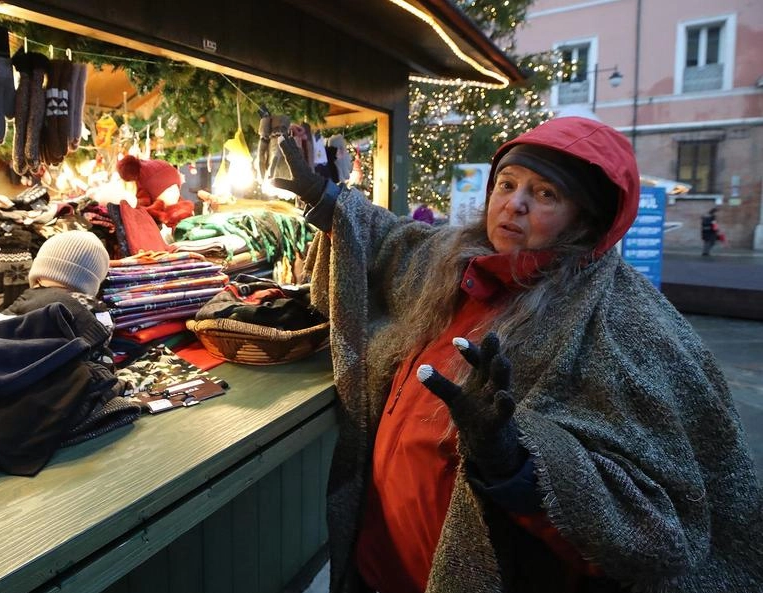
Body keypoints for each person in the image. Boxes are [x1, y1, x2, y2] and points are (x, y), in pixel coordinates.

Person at [273, 116, 762, 593]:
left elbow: (653, 535)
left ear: (587, 220)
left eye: (546, 194)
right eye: (506, 184)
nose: (515, 205)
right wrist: (322, 195)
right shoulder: (453, 262)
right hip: (379, 562)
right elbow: (392, 240)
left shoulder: (627, 326)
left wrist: (514, 461)